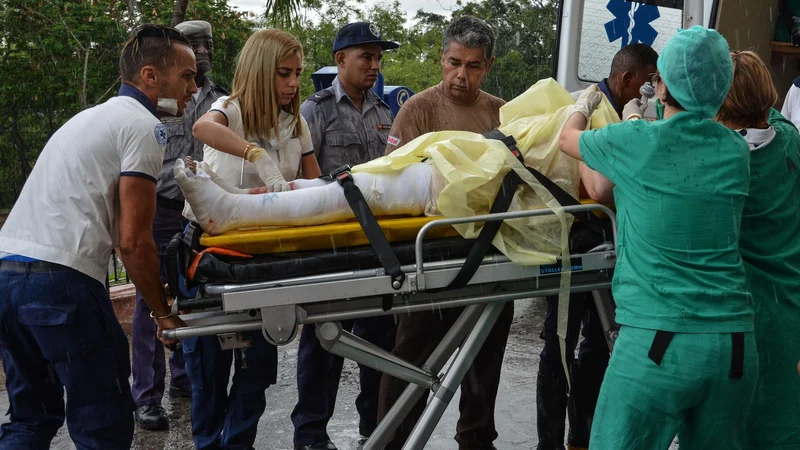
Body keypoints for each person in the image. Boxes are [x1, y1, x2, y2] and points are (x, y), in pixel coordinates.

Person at [558, 26, 757, 449]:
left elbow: (568, 142)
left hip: (659, 343)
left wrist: (582, 105)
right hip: (734, 347)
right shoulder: (735, 151)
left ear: (661, 86)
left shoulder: (638, 141)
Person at [0, 24, 195, 450]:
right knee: (103, 423)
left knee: (31, 417)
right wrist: (163, 314)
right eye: (186, 76)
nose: (193, 89)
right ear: (149, 76)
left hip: (8, 273)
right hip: (61, 281)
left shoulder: (91, 117)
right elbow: (134, 241)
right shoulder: (144, 126)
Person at [180, 28, 321, 450]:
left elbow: (316, 185)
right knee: (208, 375)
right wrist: (255, 154)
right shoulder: (230, 110)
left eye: (298, 73)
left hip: (265, 262)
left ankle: (238, 445)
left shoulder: (295, 122)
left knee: (257, 373)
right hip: (213, 257)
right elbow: (205, 128)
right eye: (283, 74)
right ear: (261, 72)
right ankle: (208, 444)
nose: (294, 84)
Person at [377, 16, 511, 450]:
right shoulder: (418, 108)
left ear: (487, 66)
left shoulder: (500, 111)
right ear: (441, 59)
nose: (461, 75)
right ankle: (391, 439)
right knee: (410, 363)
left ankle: (476, 441)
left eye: (472, 66)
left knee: (484, 365)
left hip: (490, 257)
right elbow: (391, 182)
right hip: (428, 261)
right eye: (454, 62)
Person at [537, 42, 657, 450]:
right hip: (571, 243)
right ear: (626, 80)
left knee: (598, 348)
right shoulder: (589, 110)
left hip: (604, 243)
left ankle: (580, 441)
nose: (652, 91)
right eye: (648, 83)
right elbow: (600, 188)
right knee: (559, 343)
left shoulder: (619, 113)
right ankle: (550, 444)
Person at [291, 22, 399, 450]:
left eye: (377, 58)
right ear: (340, 60)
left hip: (377, 247)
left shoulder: (385, 111)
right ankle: (311, 435)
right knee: (323, 340)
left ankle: (374, 426)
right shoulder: (314, 111)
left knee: (379, 339)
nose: (374, 65)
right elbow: (302, 179)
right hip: (330, 246)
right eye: (365, 57)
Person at [131, 19, 228, 431]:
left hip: (206, 212)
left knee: (197, 292)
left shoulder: (223, 99)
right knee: (150, 297)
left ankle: (186, 378)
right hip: (161, 206)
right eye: (194, 46)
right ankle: (146, 395)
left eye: (207, 44)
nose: (203, 52)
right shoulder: (158, 97)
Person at [715, 50, 800, 450]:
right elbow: (774, 120)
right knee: (782, 420)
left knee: (731, 425)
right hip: (787, 312)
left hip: (733, 317)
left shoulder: (712, 157)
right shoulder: (788, 142)